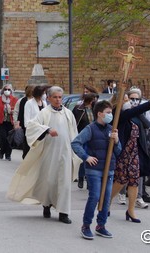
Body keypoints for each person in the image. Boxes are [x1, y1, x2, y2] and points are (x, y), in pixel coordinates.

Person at [7, 86, 80, 224]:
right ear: (50, 98)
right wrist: (46, 129)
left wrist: (76, 150)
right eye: (55, 97)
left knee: (64, 184)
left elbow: (74, 132)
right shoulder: (44, 113)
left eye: (60, 97)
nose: (58, 100)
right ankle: (46, 205)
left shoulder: (68, 113)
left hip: (65, 152)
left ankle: (63, 213)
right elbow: (32, 126)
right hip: (49, 152)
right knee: (49, 181)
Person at [110, 89, 150, 222]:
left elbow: (146, 124)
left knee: (134, 180)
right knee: (121, 179)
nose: (129, 102)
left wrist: (144, 108)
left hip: (135, 151)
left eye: (130, 99)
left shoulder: (133, 114)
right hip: (123, 152)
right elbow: (130, 113)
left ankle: (131, 210)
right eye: (126, 99)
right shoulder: (118, 114)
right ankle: (106, 202)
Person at [72, 100, 121, 240]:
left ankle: (101, 225)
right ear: (99, 114)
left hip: (109, 169)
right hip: (94, 170)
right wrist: (86, 157)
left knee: (106, 199)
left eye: (111, 113)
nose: (110, 115)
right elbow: (76, 143)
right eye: (108, 113)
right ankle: (86, 225)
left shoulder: (112, 130)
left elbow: (119, 151)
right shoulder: (90, 129)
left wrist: (116, 140)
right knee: (94, 197)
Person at [72, 92, 98, 189]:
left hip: (92, 136)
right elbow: (74, 122)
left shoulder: (95, 109)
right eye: (94, 100)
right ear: (90, 101)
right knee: (83, 158)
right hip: (82, 136)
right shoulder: (79, 109)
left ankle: (88, 179)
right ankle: (81, 177)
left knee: (91, 157)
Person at [0, 84, 18, 161]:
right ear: (3, 91)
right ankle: (2, 151)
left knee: (9, 138)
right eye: (5, 89)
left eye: (9, 90)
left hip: (10, 122)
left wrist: (12, 111)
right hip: (2, 122)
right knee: (3, 138)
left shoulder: (14, 99)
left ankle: (8, 154)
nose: (7, 91)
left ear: (11, 91)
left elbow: (17, 110)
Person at [13, 85, 34, 159]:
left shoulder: (36, 101)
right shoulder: (22, 101)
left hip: (33, 125)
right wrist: (16, 123)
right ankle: (25, 156)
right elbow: (18, 112)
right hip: (24, 124)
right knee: (26, 141)